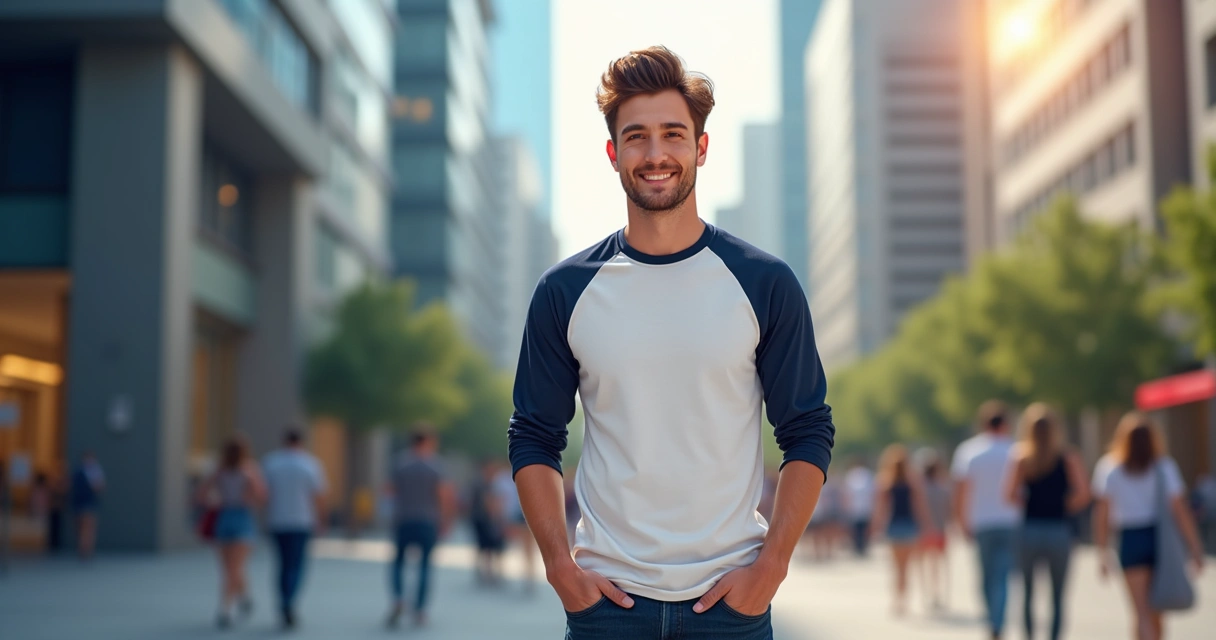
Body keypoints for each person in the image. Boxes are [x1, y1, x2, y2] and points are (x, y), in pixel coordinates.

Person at [508, 46, 835, 640]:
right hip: (607, 606)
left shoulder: (765, 283)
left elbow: (808, 429)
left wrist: (772, 567)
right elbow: (533, 435)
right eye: (636, 137)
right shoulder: (565, 291)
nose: (655, 155)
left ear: (700, 148)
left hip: (730, 605)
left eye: (673, 135)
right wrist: (560, 567)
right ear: (613, 154)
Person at [1092, 413, 1205, 640]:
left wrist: (1102, 552)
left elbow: (1102, 515)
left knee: (1140, 612)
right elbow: (1180, 511)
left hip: (1130, 539)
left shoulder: (1110, 467)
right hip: (1159, 539)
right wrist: (1195, 548)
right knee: (1157, 612)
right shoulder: (1164, 467)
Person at [1004, 404, 1090, 640]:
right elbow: (1083, 493)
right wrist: (1062, 504)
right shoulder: (1067, 457)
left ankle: (1029, 635)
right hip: (1058, 529)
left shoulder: (1021, 457)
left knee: (1027, 591)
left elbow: (1009, 495)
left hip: (1029, 529)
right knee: (1058, 593)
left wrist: (1031, 501)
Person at [952, 400, 1020, 640]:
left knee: (986, 576)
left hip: (981, 522)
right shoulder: (1016, 450)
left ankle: (993, 618)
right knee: (1003, 575)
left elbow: (961, 491)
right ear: (1006, 424)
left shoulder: (969, 452)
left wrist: (961, 522)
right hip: (1011, 522)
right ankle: (997, 619)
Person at [386, 428, 456, 629]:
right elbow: (444, 496)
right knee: (425, 565)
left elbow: (389, 492)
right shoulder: (436, 466)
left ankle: (398, 598)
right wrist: (446, 520)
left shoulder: (399, 463)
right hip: (428, 521)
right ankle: (420, 609)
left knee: (399, 562)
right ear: (428, 442)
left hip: (403, 520)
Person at [197, 436, 266, 629]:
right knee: (232, 568)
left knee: (231, 568)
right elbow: (260, 496)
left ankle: (226, 608)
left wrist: (216, 499)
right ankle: (242, 597)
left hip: (229, 517)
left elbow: (202, 495)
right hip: (236, 517)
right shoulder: (242, 469)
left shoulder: (224, 470)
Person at [261, 428, 327, 630]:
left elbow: (264, 494)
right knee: (296, 565)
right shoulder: (310, 464)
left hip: (278, 520)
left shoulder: (271, 462)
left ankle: (284, 601)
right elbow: (319, 495)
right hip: (301, 521)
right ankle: (289, 601)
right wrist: (321, 520)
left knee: (282, 564)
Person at [869, 444, 936, 616]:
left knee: (897, 567)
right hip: (909, 527)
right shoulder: (913, 483)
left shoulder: (885, 482)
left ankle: (898, 601)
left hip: (894, 527)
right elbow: (920, 507)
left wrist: (875, 527)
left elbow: (880, 510)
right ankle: (904, 599)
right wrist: (927, 525)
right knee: (907, 567)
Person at [917, 450, 951, 611]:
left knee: (923, 564)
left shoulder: (920, 488)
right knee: (937, 565)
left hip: (923, 531)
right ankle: (936, 594)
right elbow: (949, 509)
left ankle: (925, 594)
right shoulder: (943, 487)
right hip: (939, 529)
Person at [469, 458, 507, 586]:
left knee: (496, 547)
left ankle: (493, 572)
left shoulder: (496, 482)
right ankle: (485, 571)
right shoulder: (480, 483)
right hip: (481, 519)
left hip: (494, 520)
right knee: (483, 546)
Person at [70, 452, 105, 561]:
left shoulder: (92, 472)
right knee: (83, 528)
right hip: (82, 504)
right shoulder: (82, 472)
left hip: (86, 504)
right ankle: (84, 550)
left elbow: (100, 487)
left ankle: (86, 550)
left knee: (87, 528)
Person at [843, 458, 876, 557]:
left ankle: (860, 547)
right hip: (863, 507)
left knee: (858, 529)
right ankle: (861, 547)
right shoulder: (867, 475)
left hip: (859, 507)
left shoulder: (852, 475)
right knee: (861, 529)